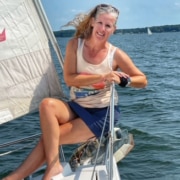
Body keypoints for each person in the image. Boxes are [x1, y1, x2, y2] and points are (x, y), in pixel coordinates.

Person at [4, 4, 147, 180]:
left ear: (113, 29)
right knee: (47, 105)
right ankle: (49, 166)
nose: (103, 28)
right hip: (77, 106)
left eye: (108, 25)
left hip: (101, 114)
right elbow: (70, 79)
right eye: (100, 23)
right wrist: (102, 76)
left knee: (49, 139)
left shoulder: (115, 55)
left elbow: (142, 80)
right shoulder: (75, 45)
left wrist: (125, 80)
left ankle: (21, 176)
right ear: (93, 22)